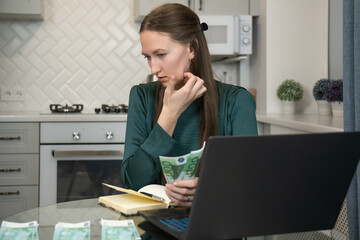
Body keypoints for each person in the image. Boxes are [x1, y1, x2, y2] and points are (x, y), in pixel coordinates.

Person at [121, 3, 258, 207]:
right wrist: (169, 114)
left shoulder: (236, 101)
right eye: (148, 57)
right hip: (155, 227)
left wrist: (207, 189)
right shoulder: (141, 97)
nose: (154, 67)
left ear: (191, 48)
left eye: (161, 54)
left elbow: (252, 182)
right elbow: (133, 182)